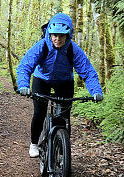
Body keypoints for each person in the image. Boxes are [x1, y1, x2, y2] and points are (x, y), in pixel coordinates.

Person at [16, 13, 103, 158]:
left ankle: (62, 148)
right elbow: (25, 66)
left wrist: (96, 91)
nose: (57, 39)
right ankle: (34, 144)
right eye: (54, 35)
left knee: (64, 117)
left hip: (64, 81)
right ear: (49, 33)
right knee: (39, 112)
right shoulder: (42, 46)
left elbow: (88, 71)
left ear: (68, 35)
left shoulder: (73, 49)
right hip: (41, 79)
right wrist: (23, 85)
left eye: (61, 36)